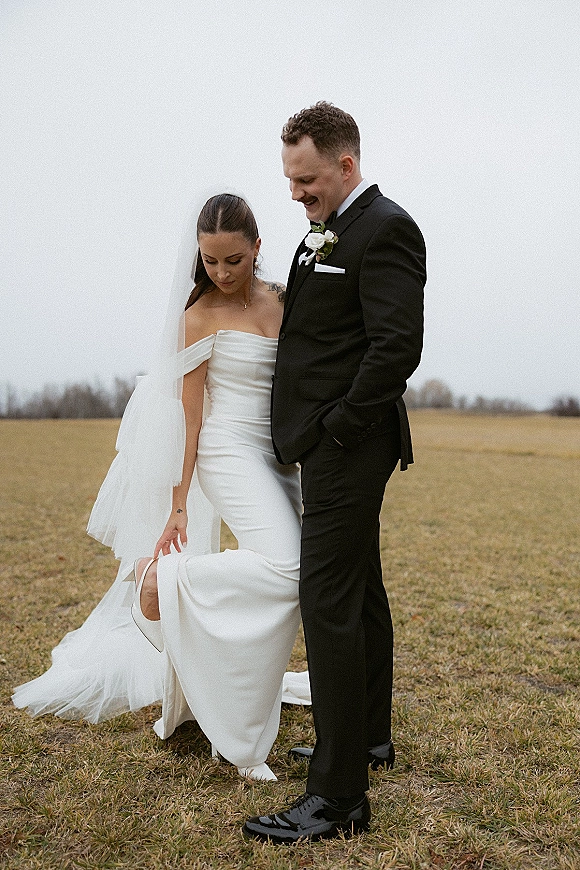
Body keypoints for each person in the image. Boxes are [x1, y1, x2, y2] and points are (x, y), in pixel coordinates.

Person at [13, 193, 310, 781]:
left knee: (300, 578)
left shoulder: (282, 302)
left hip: (278, 457)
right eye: (209, 261)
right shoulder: (197, 316)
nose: (221, 274)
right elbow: (191, 417)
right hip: (225, 451)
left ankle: (231, 688)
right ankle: (168, 580)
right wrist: (178, 505)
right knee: (290, 567)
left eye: (233, 260)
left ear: (257, 248)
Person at [243, 103, 426, 840]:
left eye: (307, 179)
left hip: (348, 446)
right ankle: (367, 739)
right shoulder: (326, 233)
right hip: (328, 443)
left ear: (345, 165)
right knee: (361, 592)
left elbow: (396, 348)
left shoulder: (386, 229)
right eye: (290, 179)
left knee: (328, 603)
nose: (296, 193)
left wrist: (337, 431)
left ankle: (339, 798)